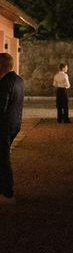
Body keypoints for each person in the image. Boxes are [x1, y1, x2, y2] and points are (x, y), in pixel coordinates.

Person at [0, 52, 24, 204]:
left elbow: (1, 107)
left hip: (4, 125)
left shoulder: (4, 82)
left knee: (3, 158)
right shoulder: (19, 80)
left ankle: (7, 192)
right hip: (15, 123)